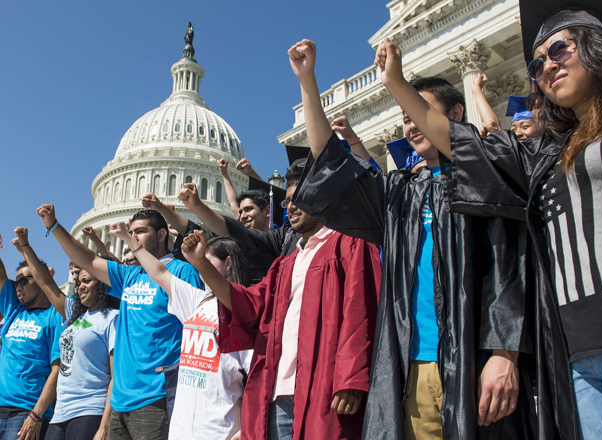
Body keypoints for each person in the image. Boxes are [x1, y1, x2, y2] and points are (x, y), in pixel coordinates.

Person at [372, 0, 602, 438]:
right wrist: (396, 84)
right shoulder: (543, 155)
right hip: (572, 346)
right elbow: (464, 148)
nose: (548, 66)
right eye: (537, 63)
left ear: (596, 46)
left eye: (560, 50)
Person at [288, 39, 535, 439]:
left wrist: (504, 353)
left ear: (456, 115)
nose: (410, 125)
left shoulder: (489, 179)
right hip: (415, 366)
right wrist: (307, 82)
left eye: (417, 111)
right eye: (404, 117)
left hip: (477, 362)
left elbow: (509, 267)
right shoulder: (402, 193)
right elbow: (331, 166)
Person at [182, 162, 381, 440]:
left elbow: (361, 314)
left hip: (324, 389)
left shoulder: (349, 246)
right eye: (288, 201)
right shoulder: (285, 264)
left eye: (300, 198)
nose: (291, 207)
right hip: (277, 392)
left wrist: (352, 378)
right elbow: (248, 304)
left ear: (323, 197)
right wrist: (201, 264)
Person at [36, 205, 203, 440]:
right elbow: (87, 259)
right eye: (131, 232)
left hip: (156, 395)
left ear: (161, 234)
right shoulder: (130, 275)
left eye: (140, 232)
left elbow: (197, 328)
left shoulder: (181, 271)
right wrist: (54, 226)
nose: (132, 237)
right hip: (120, 400)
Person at [110, 224, 252, 440]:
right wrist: (131, 240)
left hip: (221, 429)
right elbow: (159, 272)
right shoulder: (196, 301)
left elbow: (256, 377)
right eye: (198, 263)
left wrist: (248, 427)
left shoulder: (244, 311)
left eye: (206, 262)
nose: (200, 269)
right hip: (182, 429)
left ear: (228, 262)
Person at [13, 227, 119, 440]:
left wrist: (105, 425)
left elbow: (115, 376)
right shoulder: (74, 314)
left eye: (87, 281)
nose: (80, 287)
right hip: (61, 412)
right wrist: (25, 246)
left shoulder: (112, 318)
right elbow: (45, 283)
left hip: (90, 410)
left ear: (102, 284)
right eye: (79, 282)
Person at [0, 252, 63, 440]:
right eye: (16, 282)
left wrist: (37, 414)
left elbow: (58, 369)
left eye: (23, 280)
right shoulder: (13, 309)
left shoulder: (55, 317)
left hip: (26, 414)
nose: (18, 286)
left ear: (40, 278)